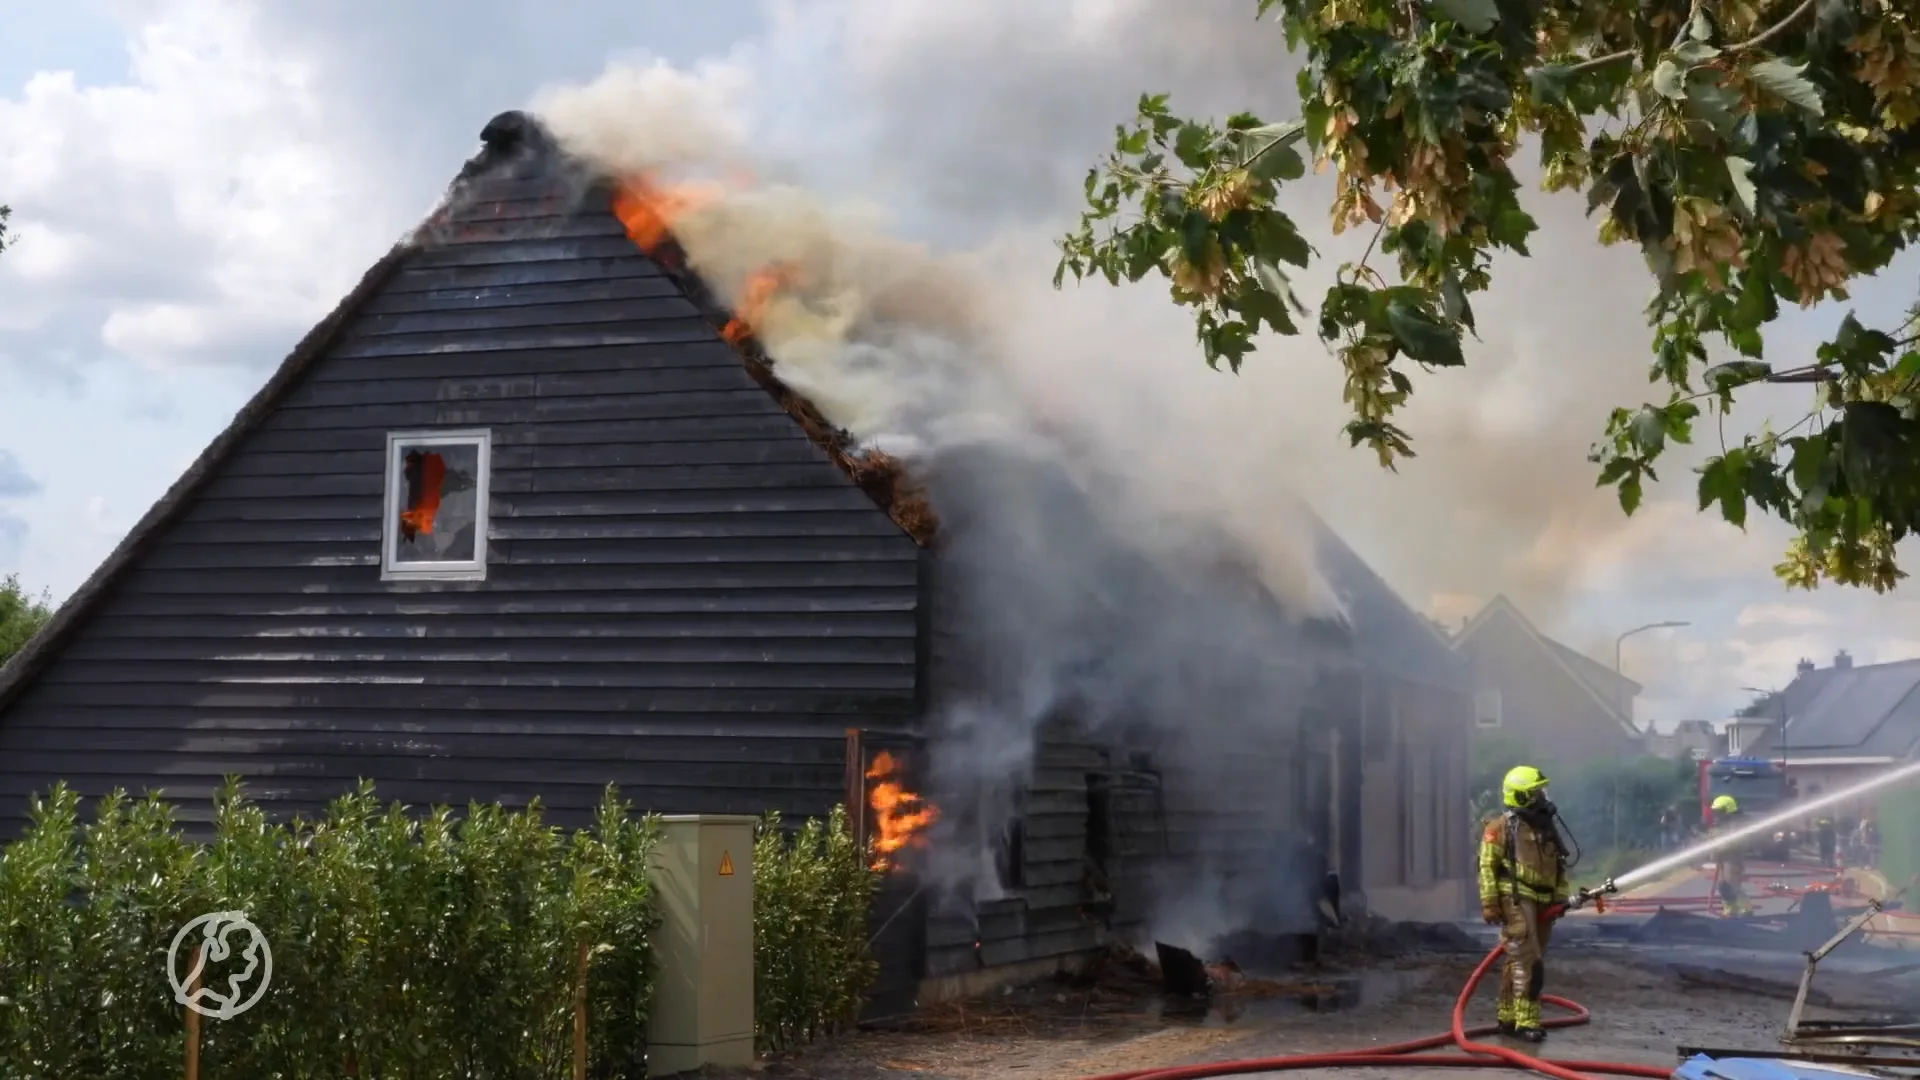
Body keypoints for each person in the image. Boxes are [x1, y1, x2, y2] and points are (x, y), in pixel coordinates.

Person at [1478, 764, 1570, 1043]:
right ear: (1519, 797)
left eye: (1542, 791)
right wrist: (1490, 903)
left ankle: (1507, 1016)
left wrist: (1560, 897)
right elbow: (1486, 866)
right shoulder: (1500, 828)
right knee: (1530, 961)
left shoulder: (1546, 828)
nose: (1542, 798)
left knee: (1519, 960)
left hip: (1543, 902)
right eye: (1535, 793)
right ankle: (1526, 1022)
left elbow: (1560, 865)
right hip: (1515, 898)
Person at [1710, 795, 1753, 917]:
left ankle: (1746, 909)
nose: (1716, 815)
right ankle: (1730, 909)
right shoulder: (1720, 825)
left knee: (1732, 885)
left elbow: (1736, 842)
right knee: (1723, 886)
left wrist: (1718, 848)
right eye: (1715, 812)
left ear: (1727, 810)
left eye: (1719, 812)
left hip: (1733, 859)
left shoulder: (1736, 825)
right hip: (1722, 859)